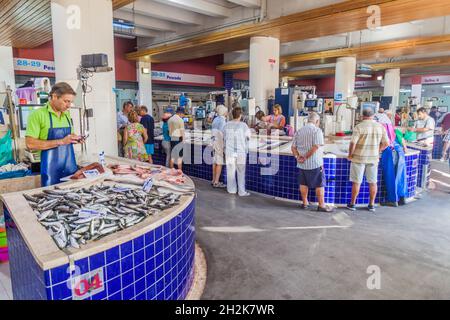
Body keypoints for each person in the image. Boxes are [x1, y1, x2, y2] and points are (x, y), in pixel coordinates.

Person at [25, 82, 84, 186]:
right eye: (66, 101)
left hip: (69, 167)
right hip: (50, 170)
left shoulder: (66, 114)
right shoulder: (37, 115)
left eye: (70, 102)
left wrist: (75, 138)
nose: (69, 105)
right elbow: (30, 144)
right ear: (54, 96)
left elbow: (69, 135)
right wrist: (61, 141)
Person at [347, 108, 390, 212]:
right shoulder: (380, 127)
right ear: (373, 115)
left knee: (357, 182)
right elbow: (386, 143)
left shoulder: (359, 127)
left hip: (358, 158)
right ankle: (371, 204)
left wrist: (350, 155)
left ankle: (352, 204)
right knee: (373, 182)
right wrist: (377, 150)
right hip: (373, 159)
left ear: (362, 116)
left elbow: (353, 143)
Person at [291, 112, 333, 212]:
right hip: (314, 163)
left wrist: (298, 157)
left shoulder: (299, 131)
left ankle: (305, 203)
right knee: (319, 184)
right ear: (317, 121)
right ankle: (321, 205)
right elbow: (316, 146)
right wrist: (305, 157)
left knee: (303, 183)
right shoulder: (317, 131)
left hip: (302, 164)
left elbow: (293, 147)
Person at [223, 107, 251, 197]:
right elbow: (248, 137)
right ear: (240, 115)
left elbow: (223, 137)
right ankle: (241, 192)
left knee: (230, 172)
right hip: (240, 152)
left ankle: (231, 190)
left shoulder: (226, 125)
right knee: (241, 172)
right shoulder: (244, 125)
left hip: (229, 152)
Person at [211, 105, 228, 188]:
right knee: (219, 162)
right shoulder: (222, 120)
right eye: (226, 111)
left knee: (214, 162)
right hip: (219, 143)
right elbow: (223, 133)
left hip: (214, 142)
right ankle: (216, 182)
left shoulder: (215, 119)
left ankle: (213, 180)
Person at [168, 107, 186, 171]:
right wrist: (184, 140)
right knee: (179, 157)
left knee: (172, 156)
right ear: (181, 113)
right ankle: (180, 172)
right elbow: (182, 131)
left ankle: (171, 171)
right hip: (178, 139)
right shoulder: (180, 120)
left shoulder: (170, 119)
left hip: (172, 139)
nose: (183, 115)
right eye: (183, 114)